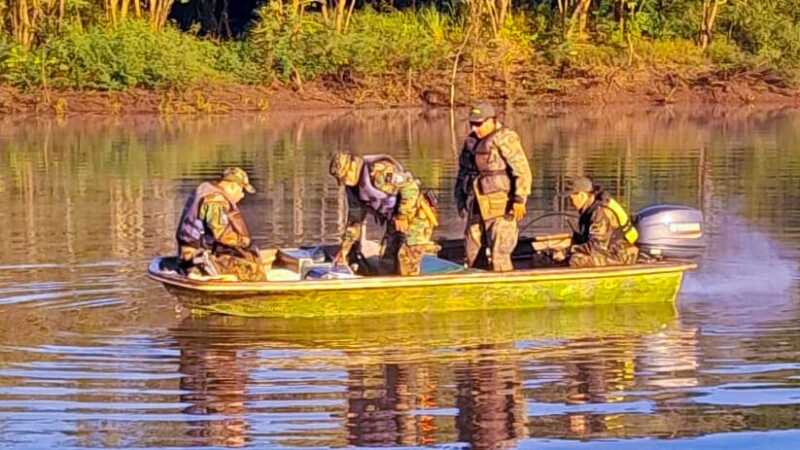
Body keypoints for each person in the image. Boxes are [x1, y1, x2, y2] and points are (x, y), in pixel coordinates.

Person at [329, 152, 438, 276]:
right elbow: (355, 221)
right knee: (387, 261)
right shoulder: (353, 190)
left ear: (353, 166)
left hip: (417, 215)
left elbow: (410, 187)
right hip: (394, 219)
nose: (346, 182)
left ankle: (412, 290)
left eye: (345, 177)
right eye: (342, 180)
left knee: (407, 259)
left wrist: (402, 215)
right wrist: (345, 248)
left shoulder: (379, 172)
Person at [454, 102, 532, 272]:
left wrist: (519, 199)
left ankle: (505, 289)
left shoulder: (506, 138)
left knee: (500, 254)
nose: (475, 128)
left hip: (501, 206)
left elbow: (522, 170)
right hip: (476, 205)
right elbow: (462, 173)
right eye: (472, 124)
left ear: (491, 120)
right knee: (471, 252)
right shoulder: (471, 142)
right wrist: (460, 199)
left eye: (479, 124)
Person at [176, 167, 266, 281]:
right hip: (198, 261)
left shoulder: (205, 189)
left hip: (190, 255)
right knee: (255, 271)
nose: (242, 195)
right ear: (233, 186)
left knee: (249, 258)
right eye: (242, 190)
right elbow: (221, 233)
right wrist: (244, 241)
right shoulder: (215, 200)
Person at [566, 177, 639, 268]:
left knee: (576, 260)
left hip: (620, 255)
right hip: (608, 252)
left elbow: (597, 246)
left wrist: (571, 250)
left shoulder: (600, 212)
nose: (570, 203)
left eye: (571, 199)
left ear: (582, 195)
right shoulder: (589, 209)